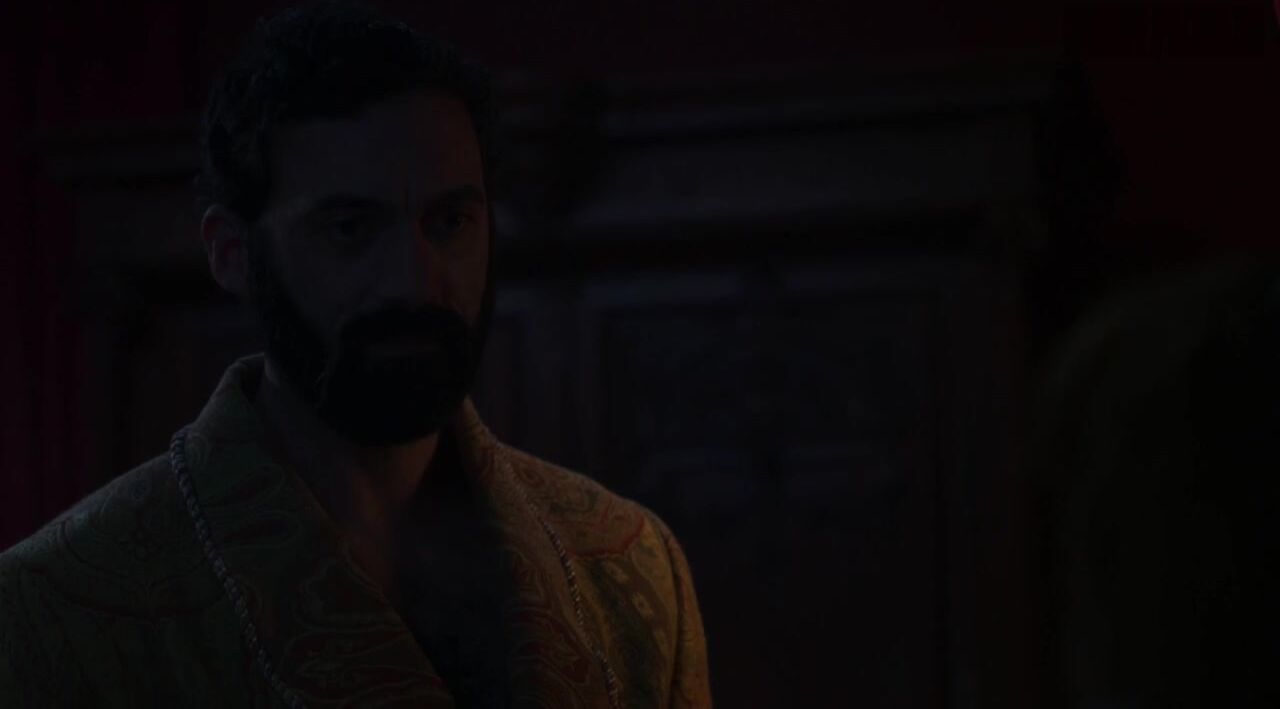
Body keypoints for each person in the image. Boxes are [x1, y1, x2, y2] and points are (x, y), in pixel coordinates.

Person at [0, 3, 711, 707]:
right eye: (349, 228)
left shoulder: (626, 563)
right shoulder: (57, 608)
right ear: (232, 252)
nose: (414, 281)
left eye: (450, 221)